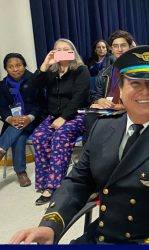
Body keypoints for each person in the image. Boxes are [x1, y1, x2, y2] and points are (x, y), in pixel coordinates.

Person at [9, 45, 149, 245]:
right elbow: (78, 181)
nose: (144, 91)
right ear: (120, 88)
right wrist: (50, 225)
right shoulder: (103, 128)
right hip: (103, 236)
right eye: (135, 83)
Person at [31, 38, 90, 205]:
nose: (62, 51)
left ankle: (53, 187)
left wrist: (63, 118)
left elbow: (80, 97)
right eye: (58, 49)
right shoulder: (51, 71)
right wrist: (45, 64)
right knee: (39, 137)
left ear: (72, 52)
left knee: (60, 137)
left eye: (66, 48)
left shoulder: (81, 70)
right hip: (52, 116)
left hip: (75, 115)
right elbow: (34, 85)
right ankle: (44, 183)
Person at [0, 53, 44, 187]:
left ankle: (1, 149)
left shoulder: (34, 80)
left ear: (24, 65)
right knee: (19, 134)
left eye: (18, 65)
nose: (15, 69)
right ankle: (20, 173)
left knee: (17, 128)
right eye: (10, 67)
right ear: (6, 69)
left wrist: (29, 118)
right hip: (14, 122)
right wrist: (10, 118)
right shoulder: (3, 85)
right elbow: (2, 107)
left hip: (35, 120)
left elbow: (41, 104)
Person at [83, 30, 135, 144]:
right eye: (115, 46)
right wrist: (99, 100)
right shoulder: (106, 72)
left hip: (131, 112)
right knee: (92, 113)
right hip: (110, 110)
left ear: (130, 47)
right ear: (111, 49)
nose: (119, 49)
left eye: (123, 45)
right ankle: (90, 157)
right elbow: (94, 94)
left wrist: (122, 106)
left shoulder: (139, 70)